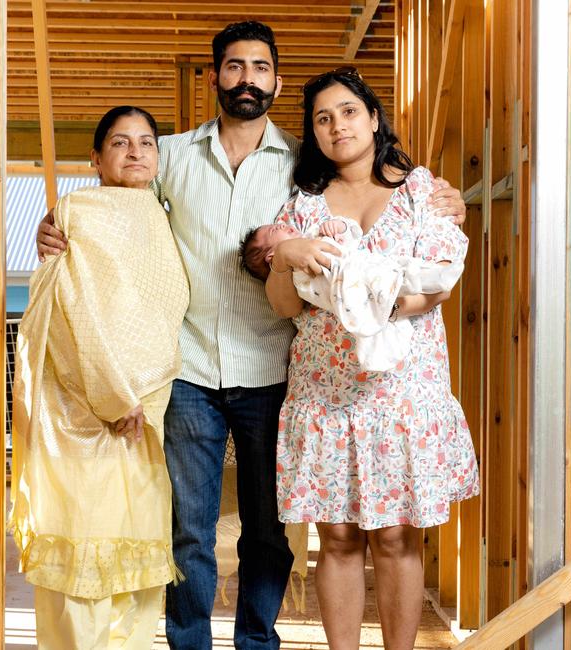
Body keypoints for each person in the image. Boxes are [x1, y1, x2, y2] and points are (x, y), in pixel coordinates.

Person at [36, 22, 468, 650]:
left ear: (276, 80)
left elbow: (384, 188)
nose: (247, 79)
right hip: (189, 368)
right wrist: (56, 222)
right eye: (234, 67)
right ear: (215, 77)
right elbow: (116, 197)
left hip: (274, 368)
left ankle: (257, 642)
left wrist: (443, 196)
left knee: (270, 532)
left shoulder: (304, 165)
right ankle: (190, 642)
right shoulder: (173, 155)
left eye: (260, 68)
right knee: (189, 529)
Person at [265, 69, 479, 650]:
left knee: (393, 538)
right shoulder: (304, 207)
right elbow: (285, 304)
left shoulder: (421, 192)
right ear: (313, 132)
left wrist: (359, 301)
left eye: (348, 111)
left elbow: (436, 285)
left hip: (400, 393)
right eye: (323, 118)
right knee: (335, 537)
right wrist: (286, 256)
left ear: (374, 117)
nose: (337, 126)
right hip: (325, 394)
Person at [10, 106, 190, 649]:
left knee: (134, 567)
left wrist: (138, 398)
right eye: (119, 142)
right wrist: (113, 396)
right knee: (82, 555)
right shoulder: (77, 212)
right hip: (88, 414)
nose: (135, 152)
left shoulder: (162, 214)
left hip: (149, 411)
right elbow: (67, 311)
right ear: (95, 157)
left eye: (146, 142)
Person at [239, 219, 464, 371]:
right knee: (387, 283)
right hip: (352, 285)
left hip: (365, 265)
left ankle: (433, 276)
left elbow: (350, 238)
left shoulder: (311, 234)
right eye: (273, 231)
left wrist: (336, 227)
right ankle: (428, 280)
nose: (281, 223)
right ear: (271, 256)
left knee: (397, 270)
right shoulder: (297, 275)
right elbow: (319, 293)